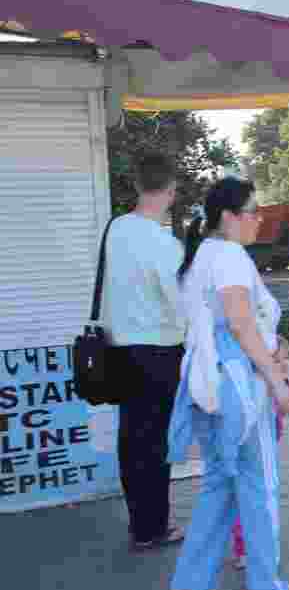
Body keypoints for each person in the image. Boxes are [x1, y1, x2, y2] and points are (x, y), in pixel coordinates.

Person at [166, 177, 289, 590]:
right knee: (258, 484)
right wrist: (277, 380)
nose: (259, 219)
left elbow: (234, 323)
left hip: (207, 385)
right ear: (229, 217)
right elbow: (242, 325)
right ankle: (266, 585)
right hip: (240, 386)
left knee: (220, 484)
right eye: (253, 211)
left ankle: (192, 581)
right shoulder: (230, 256)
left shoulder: (202, 254)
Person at [103, 152, 186, 552]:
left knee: (131, 439)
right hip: (158, 353)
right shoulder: (163, 242)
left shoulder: (115, 229)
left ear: (137, 185)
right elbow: (177, 302)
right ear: (170, 190)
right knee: (155, 443)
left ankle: (142, 523)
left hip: (121, 351)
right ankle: (154, 528)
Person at [230, 335, 289, 571]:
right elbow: (287, 408)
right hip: (258, 446)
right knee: (254, 495)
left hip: (251, 443)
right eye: (285, 358)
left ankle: (245, 547)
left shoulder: (244, 381)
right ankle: (248, 548)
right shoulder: (268, 383)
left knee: (242, 493)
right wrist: (283, 380)